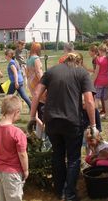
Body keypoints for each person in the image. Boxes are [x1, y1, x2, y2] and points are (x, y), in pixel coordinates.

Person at [29, 52, 96, 201]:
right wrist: (93, 125)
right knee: (73, 158)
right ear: (77, 62)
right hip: (72, 122)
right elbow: (90, 101)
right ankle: (70, 193)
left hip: (51, 121)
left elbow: (36, 94)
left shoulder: (51, 71)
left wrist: (33, 117)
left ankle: (59, 191)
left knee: (57, 155)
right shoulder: (82, 73)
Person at [0, 95, 29, 201]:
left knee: (1, 197)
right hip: (12, 172)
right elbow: (22, 154)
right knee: (13, 198)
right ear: (16, 112)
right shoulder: (18, 133)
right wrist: (25, 170)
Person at [26, 42, 46, 139]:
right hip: (37, 83)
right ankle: (42, 130)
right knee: (42, 103)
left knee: (36, 103)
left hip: (30, 82)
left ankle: (37, 128)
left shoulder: (29, 58)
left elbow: (27, 72)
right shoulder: (36, 59)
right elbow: (39, 72)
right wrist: (45, 82)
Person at [93, 44, 108, 117]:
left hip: (99, 81)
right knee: (105, 99)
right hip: (106, 80)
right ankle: (106, 114)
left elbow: (96, 72)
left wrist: (92, 81)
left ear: (100, 50)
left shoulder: (98, 59)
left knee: (96, 98)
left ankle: (95, 115)